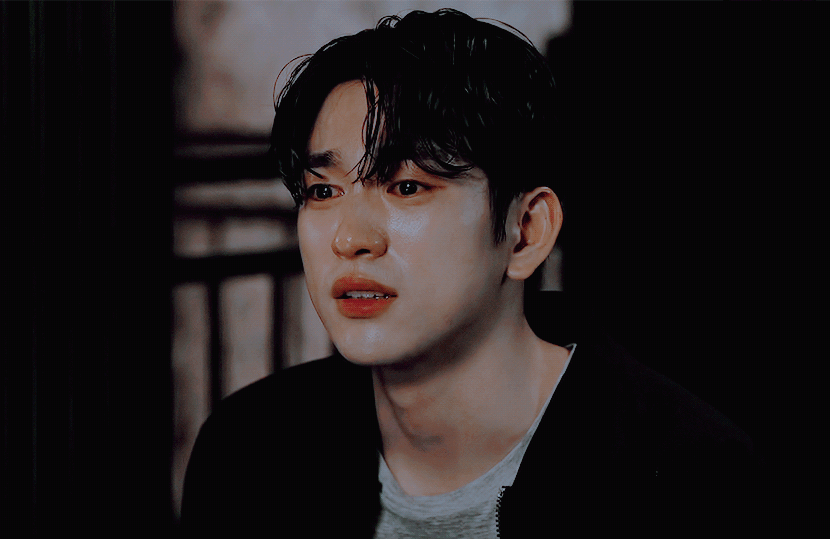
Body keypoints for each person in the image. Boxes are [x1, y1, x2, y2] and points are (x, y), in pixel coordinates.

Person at [181, 9, 756, 538]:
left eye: (407, 186)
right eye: (322, 191)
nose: (349, 239)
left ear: (526, 231)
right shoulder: (250, 448)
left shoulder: (687, 475)